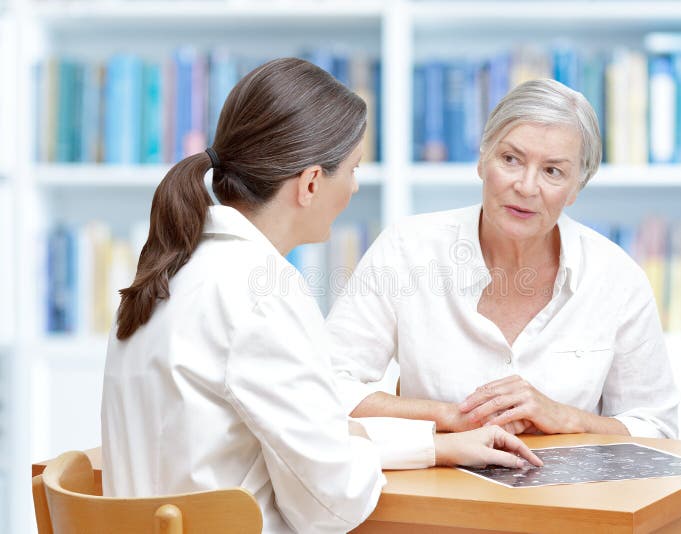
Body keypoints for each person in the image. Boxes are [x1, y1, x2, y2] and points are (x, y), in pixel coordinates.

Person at [101, 58, 540, 534]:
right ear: (311, 183)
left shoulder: (171, 270)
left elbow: (308, 439)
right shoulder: (260, 293)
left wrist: (435, 446)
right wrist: (358, 448)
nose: (353, 186)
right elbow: (331, 505)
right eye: (352, 170)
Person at [327, 79, 679, 440]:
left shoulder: (616, 277)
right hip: (437, 488)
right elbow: (326, 388)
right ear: (482, 160)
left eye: (552, 171)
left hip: (570, 494)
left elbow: (657, 427)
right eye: (511, 159)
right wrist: (452, 417)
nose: (526, 187)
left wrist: (567, 418)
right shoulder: (408, 249)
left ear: (577, 187)